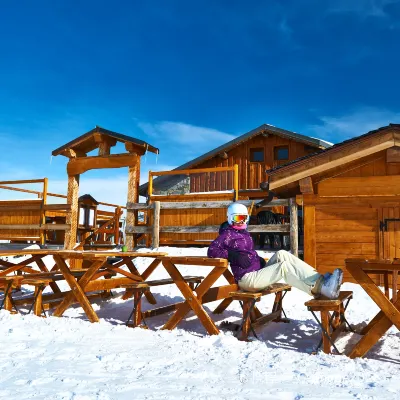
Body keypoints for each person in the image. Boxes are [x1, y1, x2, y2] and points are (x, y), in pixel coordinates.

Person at [207, 203, 343, 299]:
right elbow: (211, 251)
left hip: (257, 274)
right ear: (230, 218)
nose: (241, 222)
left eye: (244, 218)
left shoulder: (244, 233)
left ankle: (320, 280)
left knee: (282, 254)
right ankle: (321, 288)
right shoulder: (227, 235)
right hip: (247, 280)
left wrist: (257, 259)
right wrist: (232, 255)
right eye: (238, 218)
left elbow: (247, 252)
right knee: (283, 267)